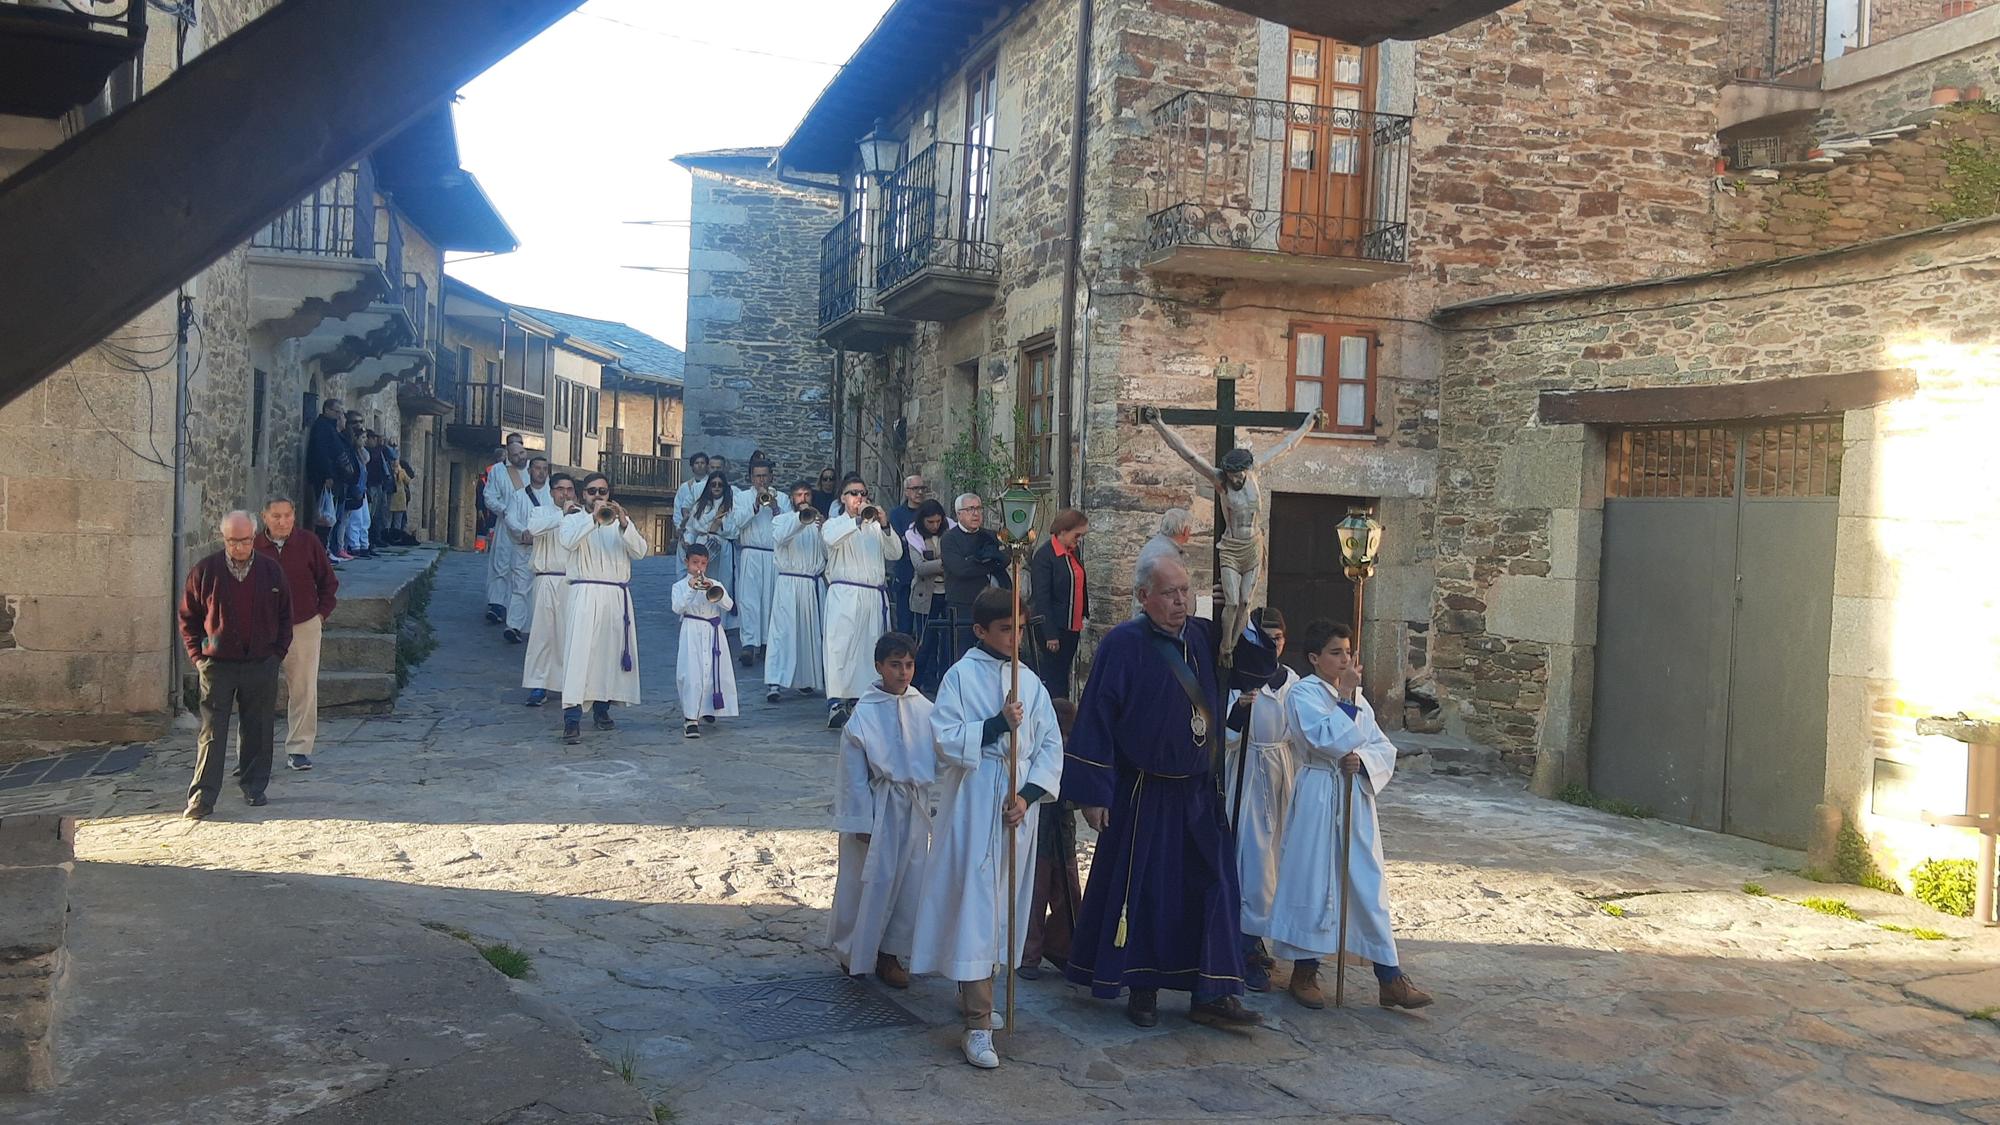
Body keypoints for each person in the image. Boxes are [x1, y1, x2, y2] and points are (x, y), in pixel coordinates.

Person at [1063, 553, 1274, 1030]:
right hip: (1145, 793)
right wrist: (1095, 794)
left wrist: (1234, 617)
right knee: (1148, 892)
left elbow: (1258, 669)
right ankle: (1143, 988)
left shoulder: (1204, 635)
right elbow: (1096, 717)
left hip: (1199, 792)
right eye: (1169, 593)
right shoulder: (1122, 644)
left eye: (1185, 591)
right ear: (1144, 597)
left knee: (1215, 888)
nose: (1180, 601)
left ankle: (1214, 992)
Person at [909, 588, 1063, 1071]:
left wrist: (1028, 797)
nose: (1014, 639)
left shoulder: (1032, 683)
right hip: (974, 802)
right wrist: (996, 724)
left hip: (1016, 809)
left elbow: (1050, 748)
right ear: (980, 630)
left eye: (1020, 629)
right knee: (975, 904)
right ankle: (975, 1022)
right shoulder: (960, 677)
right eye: (1004, 630)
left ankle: (977, 993)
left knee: (1002, 907)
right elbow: (945, 738)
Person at [1263, 620, 1433, 1012]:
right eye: (1335, 653)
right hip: (1319, 793)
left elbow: (1380, 745)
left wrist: (1365, 760)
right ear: (1314, 658)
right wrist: (1343, 702)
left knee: (1364, 882)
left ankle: (1389, 976)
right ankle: (1304, 971)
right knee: (1314, 880)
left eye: (1348, 652)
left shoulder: (1357, 699)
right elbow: (1323, 739)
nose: (1345, 660)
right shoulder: (1303, 694)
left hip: (1354, 795)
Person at [1147, 404, 1321, 663]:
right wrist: (1158, 424)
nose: (1235, 480)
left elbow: (1286, 446)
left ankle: (1231, 648)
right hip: (1230, 548)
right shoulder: (1219, 481)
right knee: (1230, 602)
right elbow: (1187, 454)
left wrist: (1309, 423)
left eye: (1238, 475)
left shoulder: (1254, 473)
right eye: (1231, 475)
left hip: (1252, 545)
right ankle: (1223, 648)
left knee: (1244, 603)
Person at [829, 633, 933, 989]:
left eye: (909, 665)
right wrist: (860, 819)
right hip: (879, 807)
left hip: (913, 808)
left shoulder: (924, 708)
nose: (903, 673)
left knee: (908, 882)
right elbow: (853, 775)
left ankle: (891, 952)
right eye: (895, 665)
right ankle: (854, 950)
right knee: (867, 882)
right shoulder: (865, 714)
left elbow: (940, 754)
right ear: (878, 667)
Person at [178, 511, 293, 819]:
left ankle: (254, 786)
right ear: (224, 539)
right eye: (231, 541)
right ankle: (202, 796)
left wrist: (276, 654)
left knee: (258, 727)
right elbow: (188, 618)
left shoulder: (271, 572)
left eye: (243, 541)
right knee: (212, 731)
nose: (238, 547)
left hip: (261, 663)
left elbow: (285, 616)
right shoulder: (206, 571)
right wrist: (198, 657)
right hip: (218, 664)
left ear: (254, 538)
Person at [1224, 606, 1299, 991]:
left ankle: (1261, 937)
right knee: (1251, 863)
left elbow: (1302, 733)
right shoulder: (1239, 682)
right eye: (1266, 638)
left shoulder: (1292, 683)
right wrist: (1238, 712)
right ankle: (1244, 945)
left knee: (1277, 861)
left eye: (1279, 638)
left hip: (1280, 772)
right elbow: (1224, 736)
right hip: (1249, 774)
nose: (1274, 645)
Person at [558, 473, 648, 745]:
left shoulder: (619, 522)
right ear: (583, 495)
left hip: (615, 595)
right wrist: (592, 518)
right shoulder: (573, 520)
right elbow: (569, 542)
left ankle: (602, 709)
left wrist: (624, 523)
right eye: (592, 491)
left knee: (609, 654)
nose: (598, 496)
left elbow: (640, 551)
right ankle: (572, 719)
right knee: (581, 655)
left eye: (603, 492)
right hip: (585, 592)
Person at [254, 497, 337, 773]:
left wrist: (320, 614)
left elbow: (328, 581)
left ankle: (299, 749)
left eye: (288, 515)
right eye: (276, 516)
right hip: (262, 628)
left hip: (302, 623)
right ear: (264, 517)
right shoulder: (253, 546)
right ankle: (250, 752)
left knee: (303, 688)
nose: (283, 521)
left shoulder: (308, 542)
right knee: (254, 690)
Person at [821, 476, 902, 729]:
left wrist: (886, 525)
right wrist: (857, 520)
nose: (859, 497)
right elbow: (832, 540)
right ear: (843, 498)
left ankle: (861, 701)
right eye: (853, 493)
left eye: (863, 493)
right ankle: (836, 702)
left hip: (871, 594)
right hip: (844, 593)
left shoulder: (875, 527)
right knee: (840, 646)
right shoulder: (833, 524)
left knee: (869, 646)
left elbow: (895, 553)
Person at [1020, 698, 1083, 981]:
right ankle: (1029, 955)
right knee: (1036, 891)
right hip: (1041, 826)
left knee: (1068, 891)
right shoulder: (1039, 746)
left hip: (1064, 826)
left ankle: (1063, 947)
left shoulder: (1076, 748)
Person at [518, 472, 578, 708]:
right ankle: (538, 684)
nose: (565, 493)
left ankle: (567, 683)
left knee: (567, 634)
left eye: (569, 489)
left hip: (571, 580)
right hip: (545, 579)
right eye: (561, 489)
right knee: (542, 634)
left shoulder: (581, 515)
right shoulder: (540, 512)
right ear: (552, 492)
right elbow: (534, 529)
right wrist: (562, 515)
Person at [765, 480, 827, 703]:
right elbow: (782, 538)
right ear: (792, 498)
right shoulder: (781, 520)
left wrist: (823, 529)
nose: (803, 499)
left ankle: (805, 680)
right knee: (783, 631)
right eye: (799, 495)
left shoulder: (820, 522)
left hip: (811, 583)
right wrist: (801, 520)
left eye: (807, 494)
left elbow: (826, 553)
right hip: (788, 582)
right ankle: (775, 681)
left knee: (808, 632)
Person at [672, 544, 738, 739]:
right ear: (686, 563)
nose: (698, 568)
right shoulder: (679, 586)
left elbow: (729, 605)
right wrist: (692, 590)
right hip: (691, 630)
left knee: (713, 672)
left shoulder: (715, 582)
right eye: (694, 563)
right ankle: (691, 718)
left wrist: (714, 589)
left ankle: (709, 708)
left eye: (702, 563)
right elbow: (677, 608)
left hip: (713, 631)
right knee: (692, 673)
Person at [731, 458, 787, 666]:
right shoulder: (743, 498)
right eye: (757, 476)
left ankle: (766, 643)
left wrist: (774, 508)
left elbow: (787, 524)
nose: (761, 480)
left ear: (771, 476)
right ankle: (748, 644)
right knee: (749, 599)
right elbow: (736, 522)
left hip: (773, 554)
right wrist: (755, 507)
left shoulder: (781, 497)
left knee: (770, 599)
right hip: (751, 553)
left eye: (765, 475)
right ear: (751, 478)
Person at [1028, 509, 1089, 699]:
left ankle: (1062, 716)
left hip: (1072, 625)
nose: (1078, 539)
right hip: (1054, 627)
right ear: (1062, 531)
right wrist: (1050, 634)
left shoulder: (1073, 552)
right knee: (1054, 678)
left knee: (1062, 674)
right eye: (1077, 535)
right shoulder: (1045, 556)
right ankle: (1053, 718)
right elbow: (1042, 597)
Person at [942, 491, 1008, 661]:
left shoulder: (990, 535)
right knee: (963, 654)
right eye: (971, 509)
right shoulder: (950, 539)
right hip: (963, 604)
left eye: (979, 508)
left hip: (989, 604)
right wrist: (986, 563)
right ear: (959, 514)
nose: (976, 513)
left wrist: (977, 562)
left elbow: (1004, 560)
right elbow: (960, 569)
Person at [500, 455, 554, 644]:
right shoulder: (519, 496)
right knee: (520, 587)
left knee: (543, 589)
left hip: (547, 550)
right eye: (537, 468)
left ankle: (538, 628)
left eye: (544, 469)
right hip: (524, 549)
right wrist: (523, 531)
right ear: (530, 471)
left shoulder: (552, 497)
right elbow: (510, 517)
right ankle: (513, 625)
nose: (541, 472)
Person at [903, 498, 953, 695]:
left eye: (937, 522)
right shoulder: (914, 535)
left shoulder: (949, 531)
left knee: (948, 641)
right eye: (930, 522)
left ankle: (942, 681)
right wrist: (947, 563)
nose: (934, 526)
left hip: (947, 592)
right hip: (926, 595)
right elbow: (920, 567)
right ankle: (918, 682)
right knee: (925, 641)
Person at [483, 433, 529, 624]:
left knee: (522, 566)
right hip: (506, 524)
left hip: (528, 524)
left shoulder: (534, 470)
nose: (519, 457)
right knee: (501, 563)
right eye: (515, 453)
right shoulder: (497, 472)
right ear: (508, 453)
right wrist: (504, 511)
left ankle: (517, 607)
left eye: (521, 452)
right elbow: (489, 496)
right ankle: (497, 604)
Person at [682, 471, 735, 614]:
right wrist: (688, 542)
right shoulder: (700, 504)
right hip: (701, 545)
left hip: (721, 546)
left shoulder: (730, 505)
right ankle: (698, 612)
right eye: (713, 484)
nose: (716, 487)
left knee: (721, 582)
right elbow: (691, 527)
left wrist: (719, 526)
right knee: (701, 578)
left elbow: (735, 530)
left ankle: (721, 620)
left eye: (720, 485)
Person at [303, 398, 349, 551]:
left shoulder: (329, 428)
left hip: (332, 477)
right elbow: (322, 453)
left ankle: (324, 549)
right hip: (324, 478)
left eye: (340, 412)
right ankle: (321, 550)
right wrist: (328, 475)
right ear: (327, 410)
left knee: (329, 515)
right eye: (336, 412)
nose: (338, 415)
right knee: (324, 516)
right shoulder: (322, 427)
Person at [887, 474, 927, 636]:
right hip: (905, 573)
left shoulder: (928, 512)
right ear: (906, 492)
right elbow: (896, 541)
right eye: (915, 488)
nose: (919, 492)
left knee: (925, 626)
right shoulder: (897, 514)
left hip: (926, 576)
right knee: (905, 624)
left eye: (922, 488)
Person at [1132, 508, 1193, 614]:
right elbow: (1170, 591)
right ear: (1185, 530)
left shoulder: (1158, 546)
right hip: (1158, 621)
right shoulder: (1167, 554)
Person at [335, 412, 372, 560]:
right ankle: (351, 546)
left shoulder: (359, 450)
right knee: (349, 520)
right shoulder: (348, 444)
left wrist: (360, 446)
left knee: (364, 519)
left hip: (361, 489)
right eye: (356, 422)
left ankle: (363, 545)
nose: (359, 424)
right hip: (352, 487)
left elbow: (366, 459)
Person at [672, 451, 710, 568]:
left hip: (703, 535)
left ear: (707, 466)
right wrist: (680, 529)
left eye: (702, 463)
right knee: (683, 569)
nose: (699, 465)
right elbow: (678, 509)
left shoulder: (712, 485)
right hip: (685, 533)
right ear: (692, 466)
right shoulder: (684, 488)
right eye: (696, 463)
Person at [364, 430, 389, 549]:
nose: (375, 441)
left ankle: (375, 538)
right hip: (370, 485)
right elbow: (371, 459)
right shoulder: (369, 451)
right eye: (373, 438)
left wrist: (384, 446)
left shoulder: (380, 451)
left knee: (376, 514)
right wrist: (380, 447)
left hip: (378, 484)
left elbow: (392, 455)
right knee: (369, 514)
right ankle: (368, 540)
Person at [385, 439, 415, 536]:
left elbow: (408, 479)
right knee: (387, 521)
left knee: (397, 522)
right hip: (391, 498)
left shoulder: (401, 469)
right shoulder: (387, 467)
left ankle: (396, 537)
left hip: (400, 499)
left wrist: (401, 471)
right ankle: (387, 536)